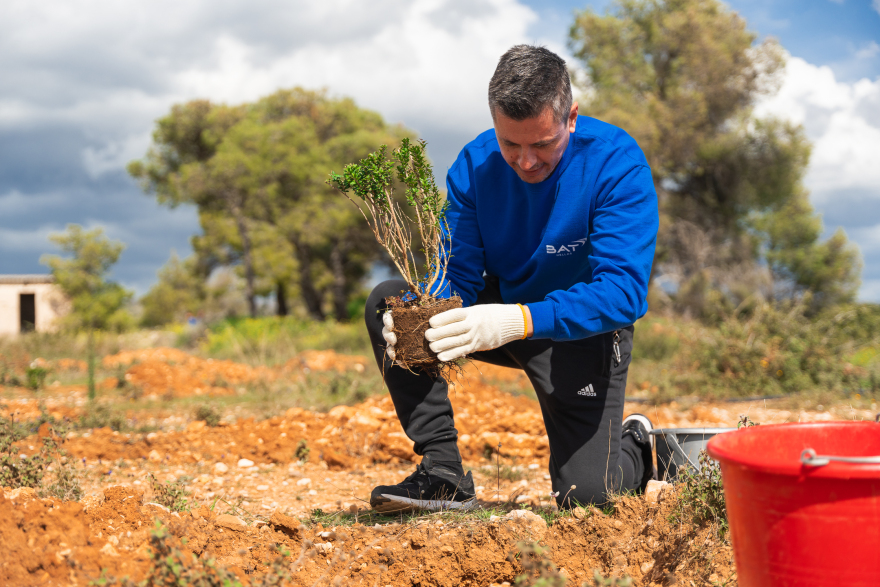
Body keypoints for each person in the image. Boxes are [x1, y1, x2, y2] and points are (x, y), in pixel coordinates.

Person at [364, 44, 659, 512]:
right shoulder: (474, 165)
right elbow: (457, 274)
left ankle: (641, 447)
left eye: (542, 144)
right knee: (392, 300)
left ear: (571, 118)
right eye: (510, 144)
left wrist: (518, 320)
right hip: (500, 311)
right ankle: (442, 475)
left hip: (584, 330)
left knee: (587, 496)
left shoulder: (616, 164)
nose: (525, 161)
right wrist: (420, 317)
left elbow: (622, 293)